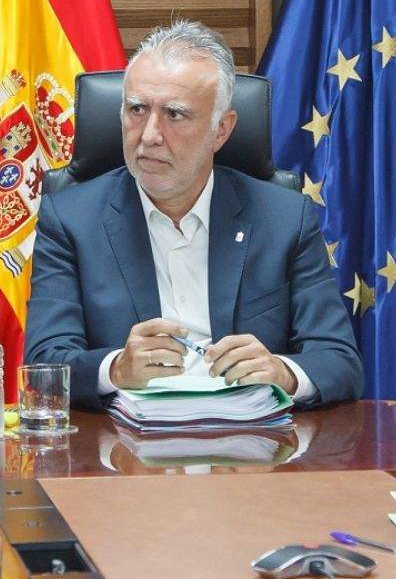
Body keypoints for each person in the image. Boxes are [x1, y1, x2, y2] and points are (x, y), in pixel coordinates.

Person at [25, 20, 363, 409]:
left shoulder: (285, 217)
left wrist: (282, 373)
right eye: (137, 109)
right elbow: (45, 362)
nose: (149, 134)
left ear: (221, 129)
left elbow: (340, 362)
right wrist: (116, 369)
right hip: (125, 452)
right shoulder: (70, 218)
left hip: (251, 450)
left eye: (175, 115)